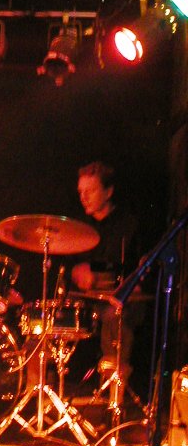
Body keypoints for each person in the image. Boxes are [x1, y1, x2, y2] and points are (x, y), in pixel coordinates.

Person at [70, 161, 143, 404]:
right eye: (81, 192)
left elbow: (127, 268)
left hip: (121, 300)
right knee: (45, 314)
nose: (84, 197)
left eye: (90, 191)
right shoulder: (79, 226)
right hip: (87, 299)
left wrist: (93, 271)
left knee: (114, 318)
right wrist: (76, 273)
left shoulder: (128, 224)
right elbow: (72, 267)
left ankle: (113, 398)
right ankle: (37, 391)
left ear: (108, 191)